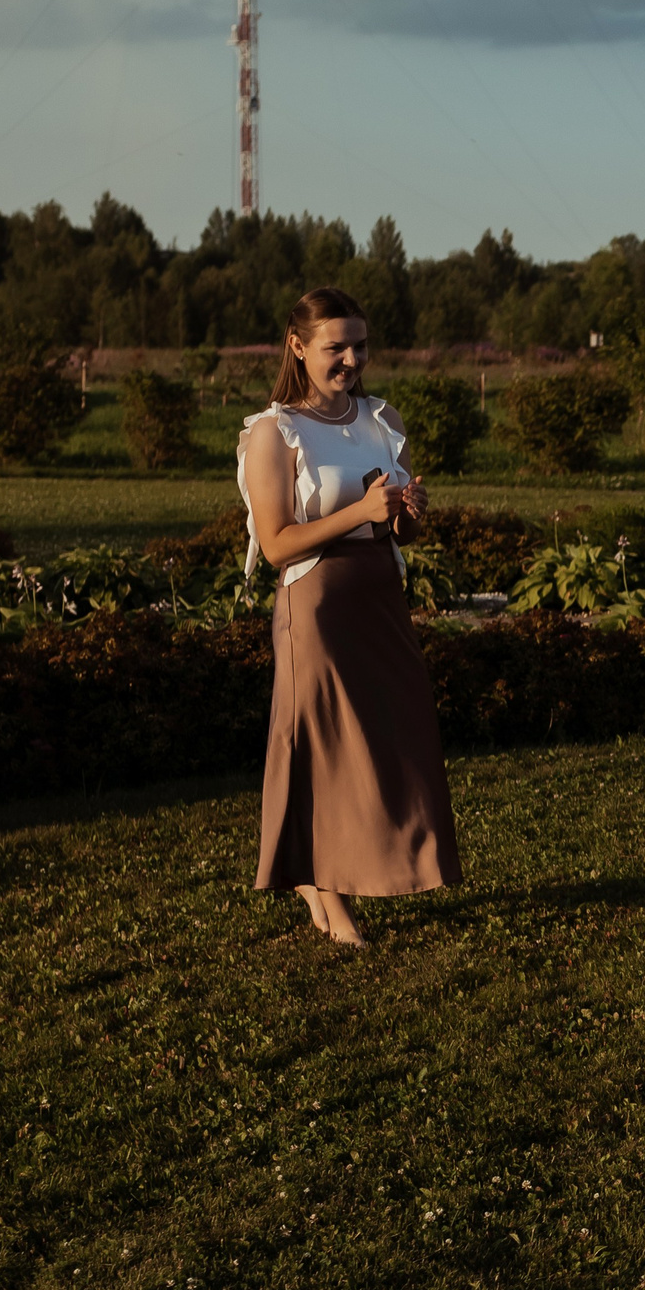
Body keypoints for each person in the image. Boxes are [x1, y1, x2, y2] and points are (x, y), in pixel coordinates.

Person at [240, 287, 458, 946]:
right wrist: (358, 514)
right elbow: (276, 545)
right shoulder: (271, 431)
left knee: (398, 738)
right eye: (337, 347)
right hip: (317, 606)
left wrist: (404, 516)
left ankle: (336, 874)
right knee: (327, 749)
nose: (351, 359)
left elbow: (397, 531)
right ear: (298, 346)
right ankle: (325, 895)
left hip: (381, 598)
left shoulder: (382, 417)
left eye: (360, 345)